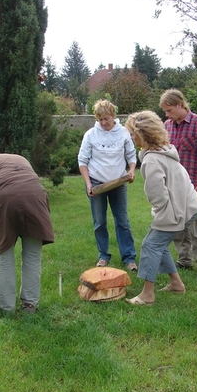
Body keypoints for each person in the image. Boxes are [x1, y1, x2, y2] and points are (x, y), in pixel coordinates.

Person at [123, 110, 197, 305]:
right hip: (190, 205)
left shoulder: (151, 160)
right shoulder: (164, 149)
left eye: (133, 134)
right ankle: (177, 284)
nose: (131, 138)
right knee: (157, 242)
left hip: (178, 210)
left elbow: (157, 197)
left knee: (151, 245)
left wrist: (158, 214)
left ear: (143, 134)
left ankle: (147, 295)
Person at [0, 154, 54, 316]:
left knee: (4, 255)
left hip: (5, 199)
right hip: (36, 198)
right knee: (32, 256)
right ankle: (30, 305)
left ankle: (6, 308)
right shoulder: (21, 158)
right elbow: (33, 183)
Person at [160, 89, 197, 280]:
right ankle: (184, 260)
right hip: (173, 186)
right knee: (178, 227)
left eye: (169, 110)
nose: (167, 115)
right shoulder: (167, 126)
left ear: (180, 105)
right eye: (165, 112)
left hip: (194, 186)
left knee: (196, 227)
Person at [78, 99, 138, 271]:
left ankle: (129, 258)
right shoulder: (91, 134)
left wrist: (131, 171)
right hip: (96, 183)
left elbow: (131, 156)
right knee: (99, 222)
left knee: (123, 221)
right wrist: (88, 183)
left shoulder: (124, 133)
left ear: (113, 116)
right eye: (100, 119)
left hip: (118, 182)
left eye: (106, 118)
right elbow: (82, 161)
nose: (103, 122)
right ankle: (103, 255)